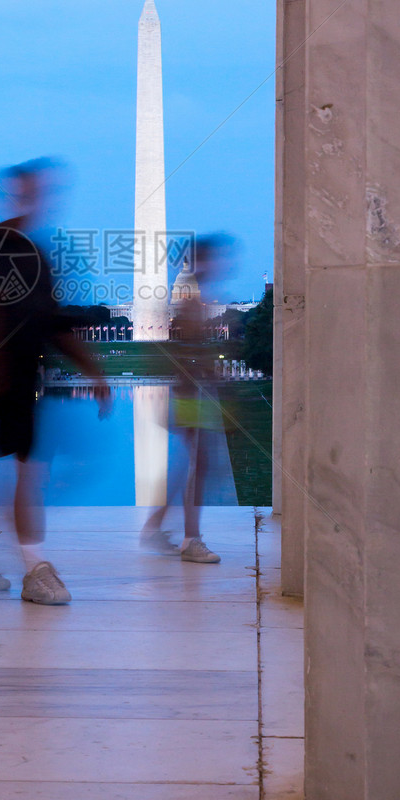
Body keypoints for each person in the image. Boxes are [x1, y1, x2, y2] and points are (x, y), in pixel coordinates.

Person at [0, 159, 112, 604]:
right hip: (3, 376)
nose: (39, 199)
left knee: (23, 471)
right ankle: (34, 569)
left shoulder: (35, 253)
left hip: (23, 374)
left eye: (43, 191)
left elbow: (50, 322)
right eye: (29, 191)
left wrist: (93, 371)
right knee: (27, 473)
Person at [141, 236, 234, 563]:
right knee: (197, 465)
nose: (219, 264)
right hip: (190, 393)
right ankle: (189, 538)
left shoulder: (194, 300)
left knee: (191, 466)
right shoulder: (190, 302)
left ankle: (158, 528)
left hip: (192, 392)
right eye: (212, 258)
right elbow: (183, 353)